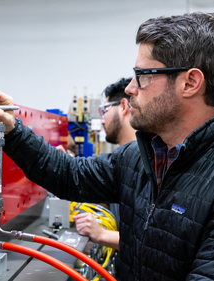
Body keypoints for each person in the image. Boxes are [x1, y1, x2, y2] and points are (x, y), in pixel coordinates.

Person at [0, 12, 214, 280]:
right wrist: (12, 129)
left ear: (190, 83)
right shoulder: (142, 157)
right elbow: (68, 174)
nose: (129, 89)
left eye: (142, 76)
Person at [72, 77, 135, 251]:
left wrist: (101, 234)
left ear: (124, 106)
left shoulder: (147, 164)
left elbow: (154, 240)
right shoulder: (122, 161)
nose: (101, 120)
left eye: (105, 110)